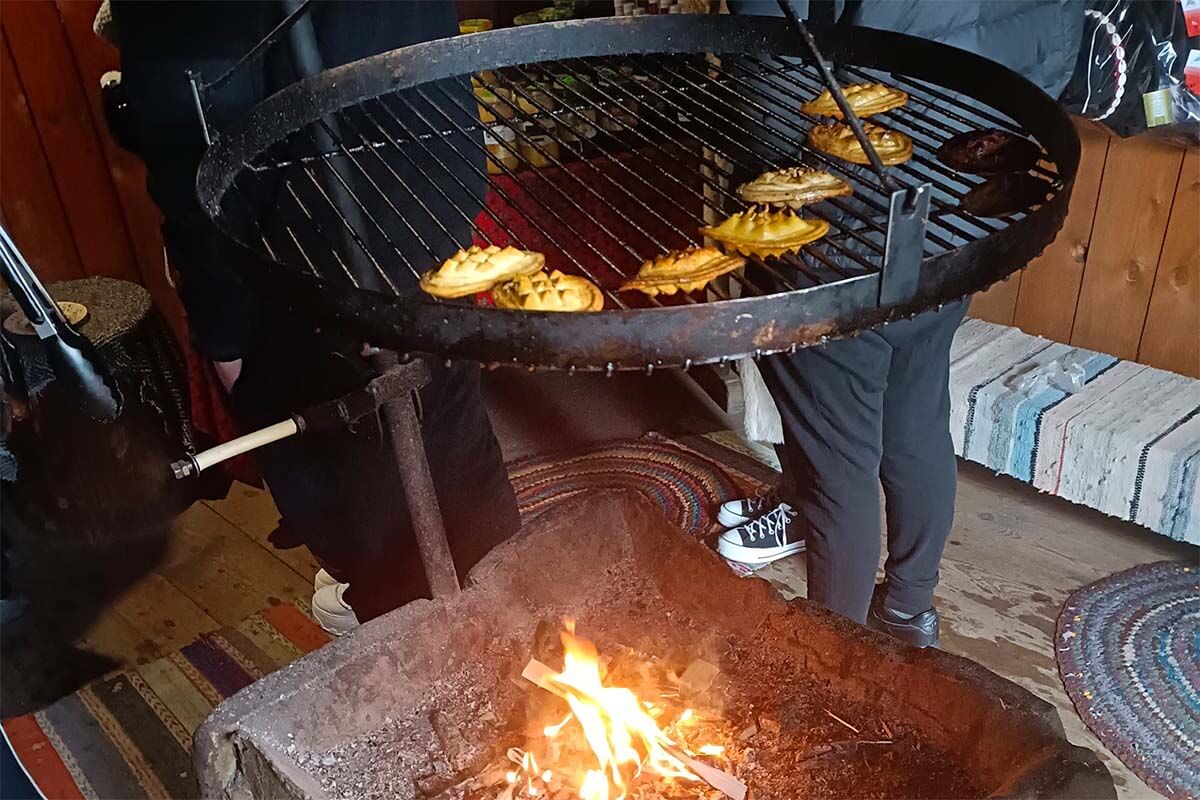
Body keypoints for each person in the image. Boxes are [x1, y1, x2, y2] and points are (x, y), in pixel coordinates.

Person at [110, 0, 520, 634]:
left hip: (303, 263)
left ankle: (417, 637)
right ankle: (480, 615)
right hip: (425, 204)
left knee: (373, 512)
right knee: (451, 453)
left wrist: (225, 342)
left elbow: (190, 144)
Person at [718, 0, 1085, 647]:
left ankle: (838, 666)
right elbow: (1051, 53)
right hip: (965, 205)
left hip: (843, 232)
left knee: (838, 473)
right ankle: (910, 611)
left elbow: (772, 95)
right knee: (914, 418)